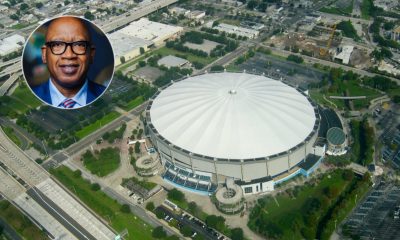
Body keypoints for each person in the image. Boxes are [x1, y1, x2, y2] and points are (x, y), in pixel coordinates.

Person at [32, 16, 105, 109]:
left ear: (91, 54)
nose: (69, 55)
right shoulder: (36, 100)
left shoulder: (102, 95)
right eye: (57, 44)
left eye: (79, 44)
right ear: (44, 54)